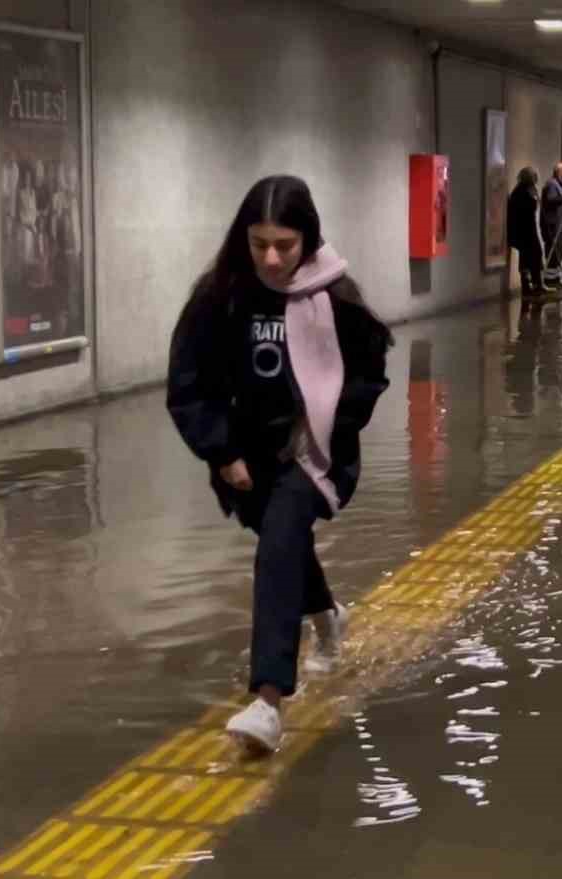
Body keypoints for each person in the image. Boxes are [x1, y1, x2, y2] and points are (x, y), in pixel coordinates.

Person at [166, 175, 393, 757]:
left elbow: (369, 375)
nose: (271, 257)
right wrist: (221, 452)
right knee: (280, 538)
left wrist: (325, 431)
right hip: (246, 456)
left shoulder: (335, 297)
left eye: (284, 245)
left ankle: (267, 699)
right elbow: (188, 385)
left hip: (314, 454)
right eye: (259, 243)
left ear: (307, 240)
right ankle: (328, 616)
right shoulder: (219, 298)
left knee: (277, 545)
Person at [507, 167, 545, 304]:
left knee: (529, 257)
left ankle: (532, 285)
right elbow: (528, 209)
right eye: (535, 177)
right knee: (533, 256)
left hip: (525, 230)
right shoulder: (523, 192)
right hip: (525, 230)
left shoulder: (521, 190)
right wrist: (535, 199)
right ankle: (533, 286)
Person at [541, 162, 562, 282]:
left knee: (558, 252)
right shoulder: (551, 184)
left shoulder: (559, 184)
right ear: (560, 173)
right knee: (553, 251)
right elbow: (551, 199)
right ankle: (550, 279)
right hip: (552, 224)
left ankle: (555, 278)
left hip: (558, 224)